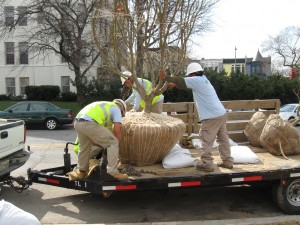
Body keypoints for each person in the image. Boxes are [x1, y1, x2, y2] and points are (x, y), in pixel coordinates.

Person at [159, 62, 233, 172]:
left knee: (206, 140)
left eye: (189, 75)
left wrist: (166, 77)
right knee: (223, 139)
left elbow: (181, 81)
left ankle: (207, 164)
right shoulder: (203, 79)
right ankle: (227, 162)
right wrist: (174, 84)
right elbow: (184, 83)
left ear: (193, 74)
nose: (188, 77)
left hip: (211, 117)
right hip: (221, 114)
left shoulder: (197, 80)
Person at [67, 99, 128, 181]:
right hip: (90, 123)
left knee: (84, 147)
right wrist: (117, 145)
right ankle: (113, 172)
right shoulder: (116, 108)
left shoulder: (104, 106)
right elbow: (117, 131)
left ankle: (82, 171)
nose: (120, 115)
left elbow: (95, 140)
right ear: (121, 108)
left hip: (78, 122)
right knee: (113, 142)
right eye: (121, 114)